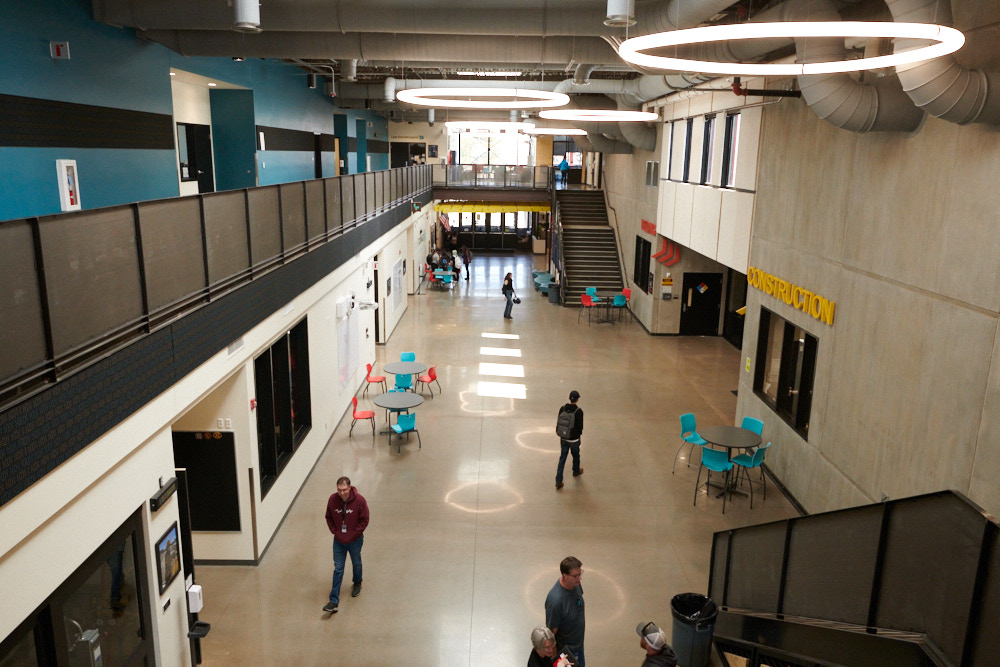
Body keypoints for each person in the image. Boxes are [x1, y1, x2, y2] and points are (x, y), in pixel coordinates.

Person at [323, 476, 370, 614]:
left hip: (355, 541)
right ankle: (333, 601)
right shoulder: (332, 500)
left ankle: (357, 582)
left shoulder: (360, 501)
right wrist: (335, 532)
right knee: (338, 568)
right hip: (339, 541)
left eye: (344, 490)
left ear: (349, 488)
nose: (341, 493)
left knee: (356, 563)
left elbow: (365, 519)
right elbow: (328, 517)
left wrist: (354, 534)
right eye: (339, 490)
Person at [545, 556, 586, 667]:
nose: (579, 578)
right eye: (575, 576)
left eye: (580, 573)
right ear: (565, 575)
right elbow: (551, 635)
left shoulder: (575, 584)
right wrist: (556, 660)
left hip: (578, 646)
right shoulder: (555, 602)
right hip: (566, 653)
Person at [555, 391, 584, 489]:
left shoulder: (562, 408)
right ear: (577, 399)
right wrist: (577, 436)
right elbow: (580, 428)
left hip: (564, 438)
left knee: (562, 458)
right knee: (576, 455)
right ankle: (576, 471)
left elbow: (559, 422)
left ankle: (558, 480)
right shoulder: (579, 412)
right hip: (574, 440)